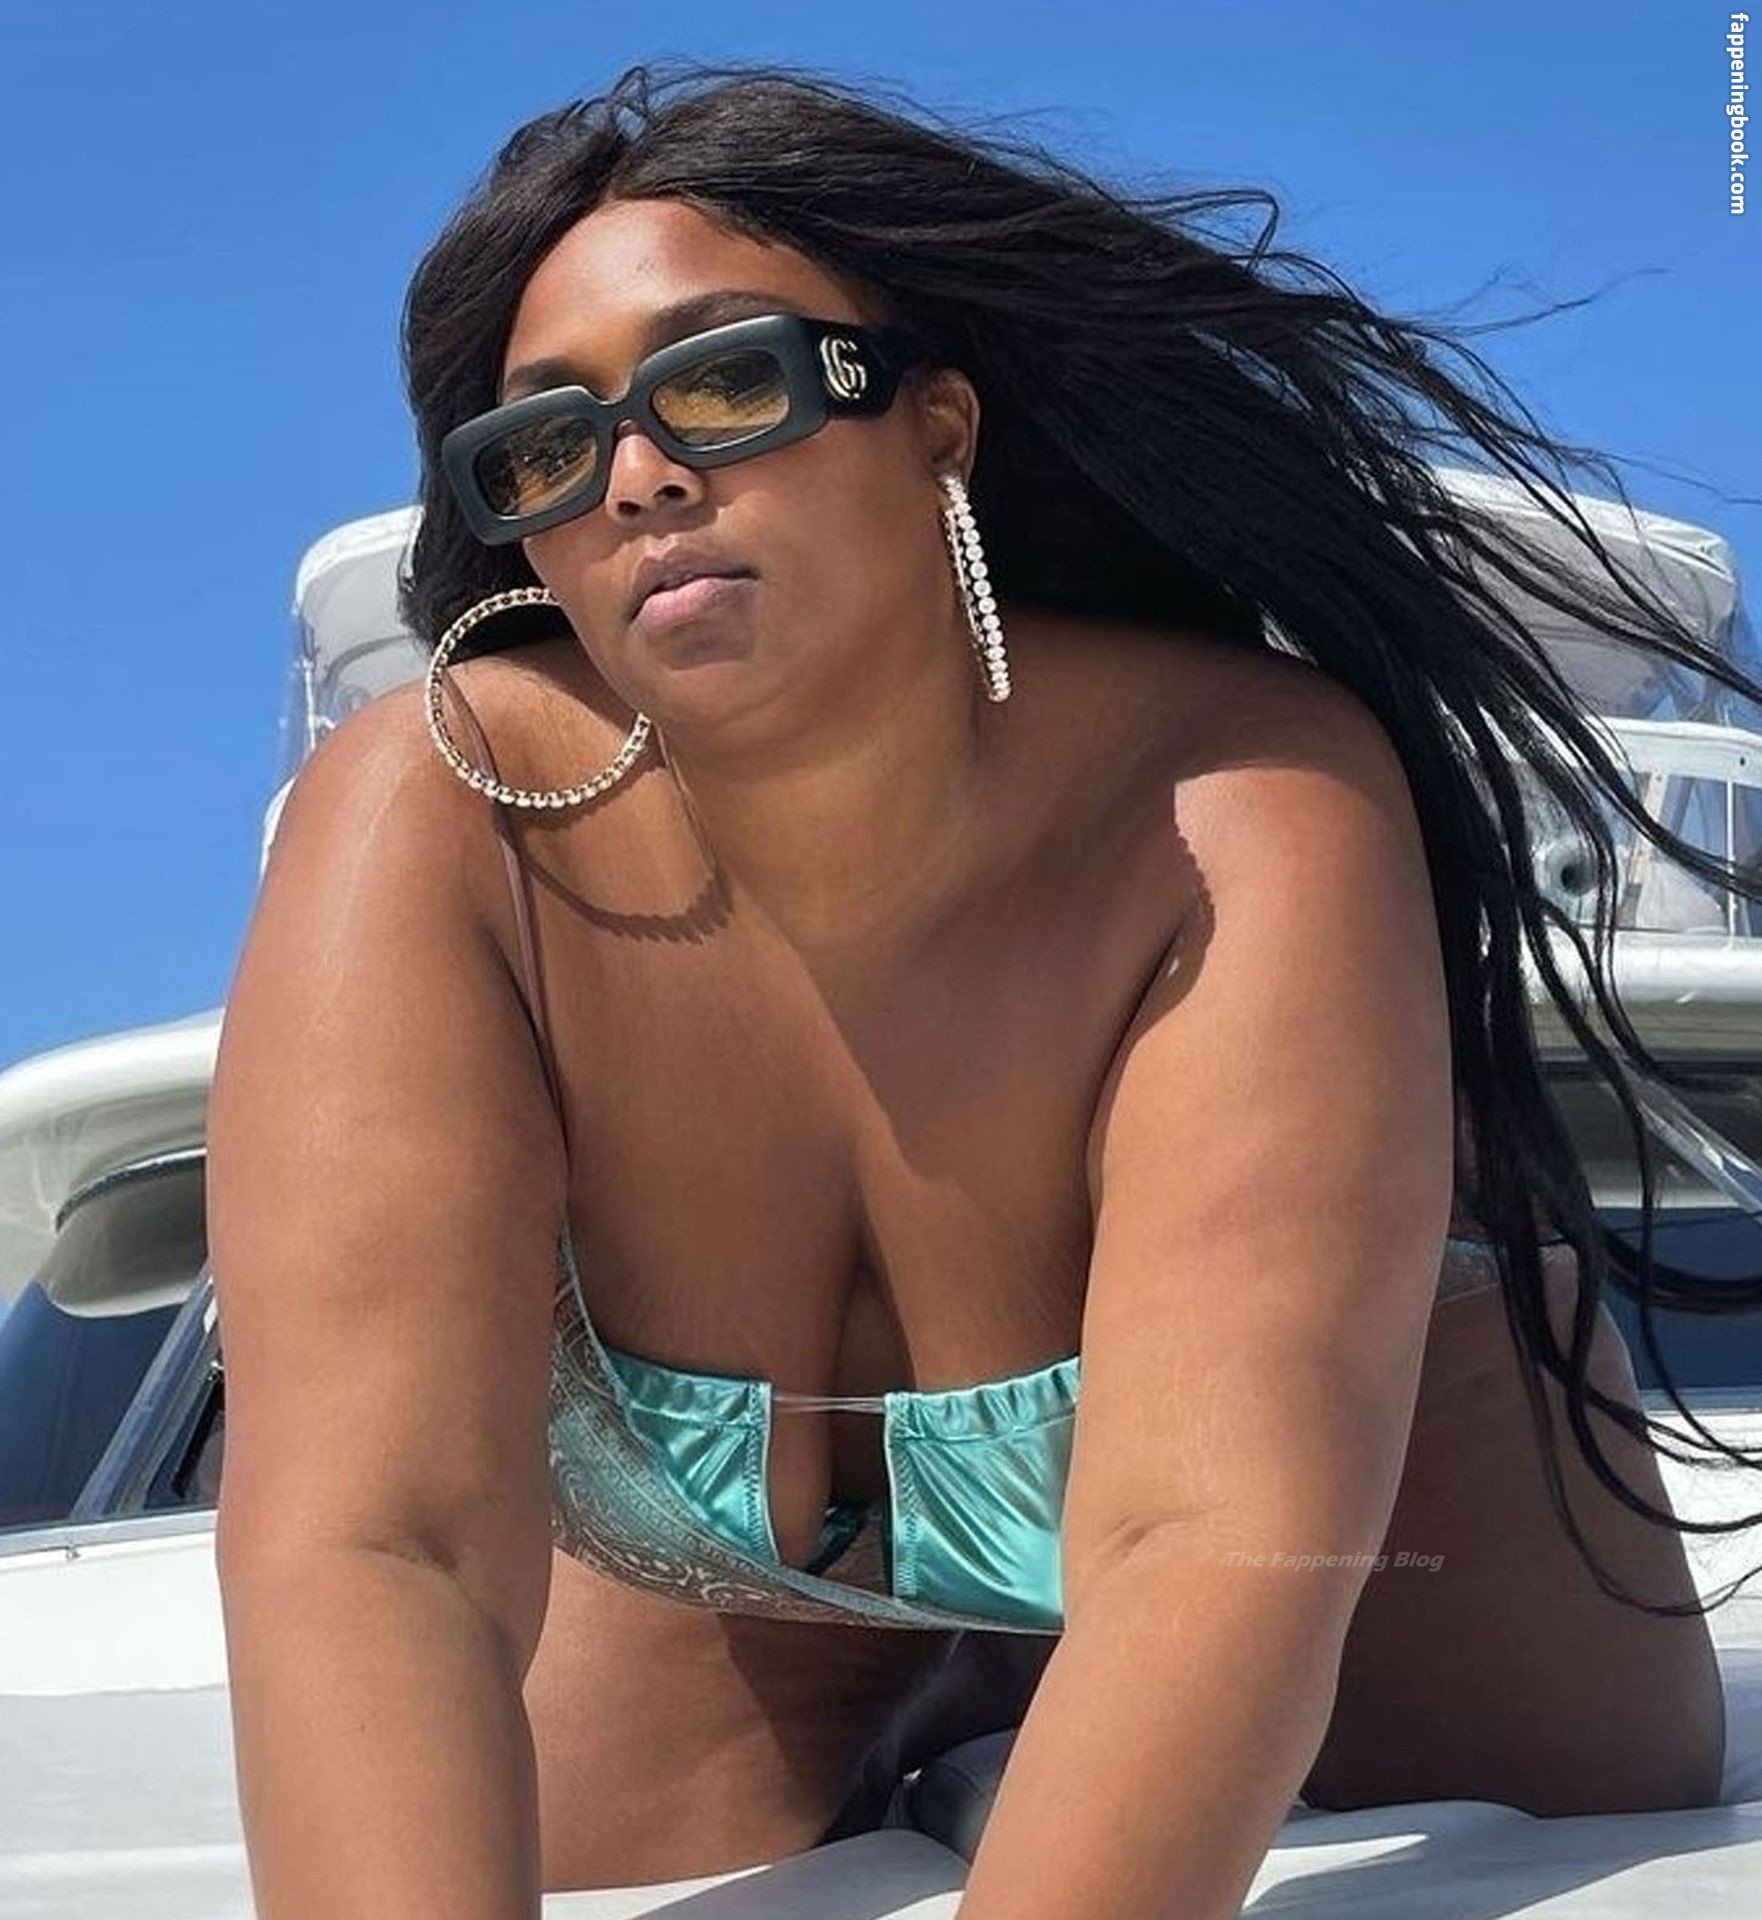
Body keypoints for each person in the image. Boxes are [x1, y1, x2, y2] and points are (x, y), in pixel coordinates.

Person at [205, 57, 1757, 1918]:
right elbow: (382, 1543)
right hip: (749, 1575)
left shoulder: (1233, 791)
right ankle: (966, 1679)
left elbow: (1205, 1532)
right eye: (542, 448)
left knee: (1594, 1790)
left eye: (726, 382)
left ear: (935, 422)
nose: (638, 475)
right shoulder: (441, 811)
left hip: (1358, 1520)